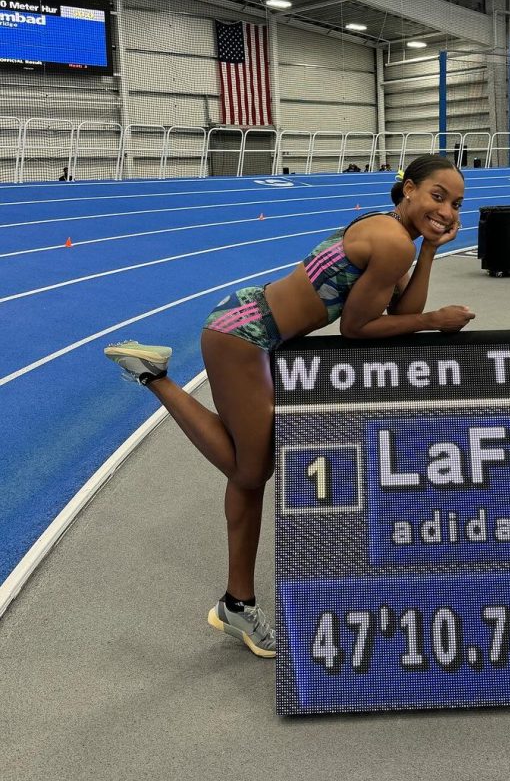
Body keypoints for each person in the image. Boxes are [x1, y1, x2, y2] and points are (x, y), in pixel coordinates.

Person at [103, 155, 475, 656]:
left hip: (250, 324)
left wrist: (429, 251)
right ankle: (155, 378)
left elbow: (398, 308)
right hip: (244, 336)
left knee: (248, 474)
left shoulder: (393, 236)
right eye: (438, 196)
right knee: (249, 471)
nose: (448, 211)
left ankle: (238, 602)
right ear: (408, 189)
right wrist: (434, 320)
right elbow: (358, 328)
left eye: (456, 204)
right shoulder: (390, 242)